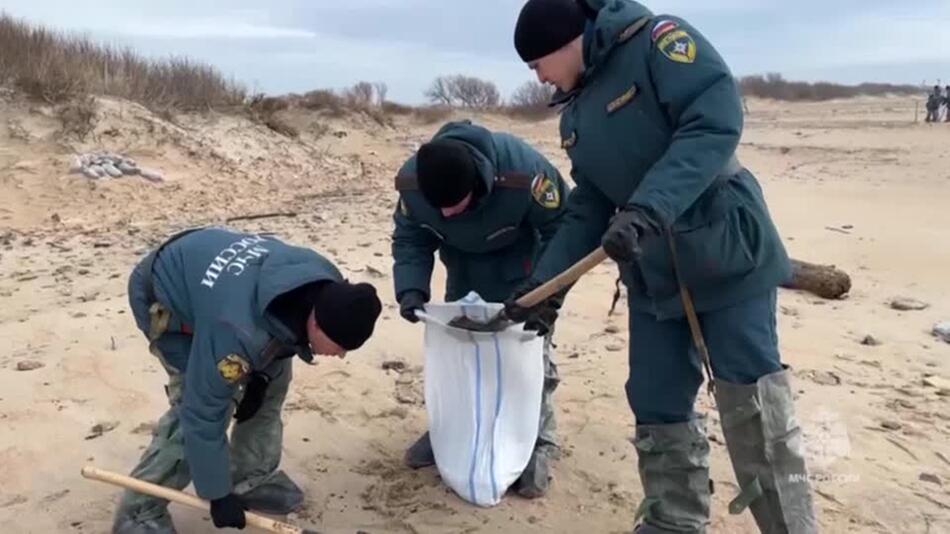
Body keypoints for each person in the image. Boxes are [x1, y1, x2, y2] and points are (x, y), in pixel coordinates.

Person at [511, 1, 817, 532]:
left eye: (537, 62)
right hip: (652, 274)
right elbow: (589, 202)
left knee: (751, 401)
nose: (537, 76)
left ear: (568, 41)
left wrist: (649, 206)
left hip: (724, 252)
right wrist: (545, 287)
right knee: (655, 398)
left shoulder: (657, 42)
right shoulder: (578, 107)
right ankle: (673, 521)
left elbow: (714, 121)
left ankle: (789, 524)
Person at [113, 226, 382, 533]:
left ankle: (251, 477)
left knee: (273, 383)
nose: (342, 356)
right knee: (198, 403)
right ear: (318, 325)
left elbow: (279, 339)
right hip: (167, 298)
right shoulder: (237, 332)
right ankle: (138, 512)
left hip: (219, 280)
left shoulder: (325, 279)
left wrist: (262, 376)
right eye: (341, 347)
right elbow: (203, 413)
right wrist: (216, 494)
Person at [391, 119, 569, 498]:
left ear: (479, 183)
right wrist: (410, 289)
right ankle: (453, 432)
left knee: (529, 352)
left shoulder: (524, 174)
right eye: (441, 209)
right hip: (464, 267)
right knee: (464, 348)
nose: (448, 214)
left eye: (455, 205)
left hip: (524, 268)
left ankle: (538, 442)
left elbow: (564, 230)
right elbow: (410, 238)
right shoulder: (413, 184)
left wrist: (546, 295)